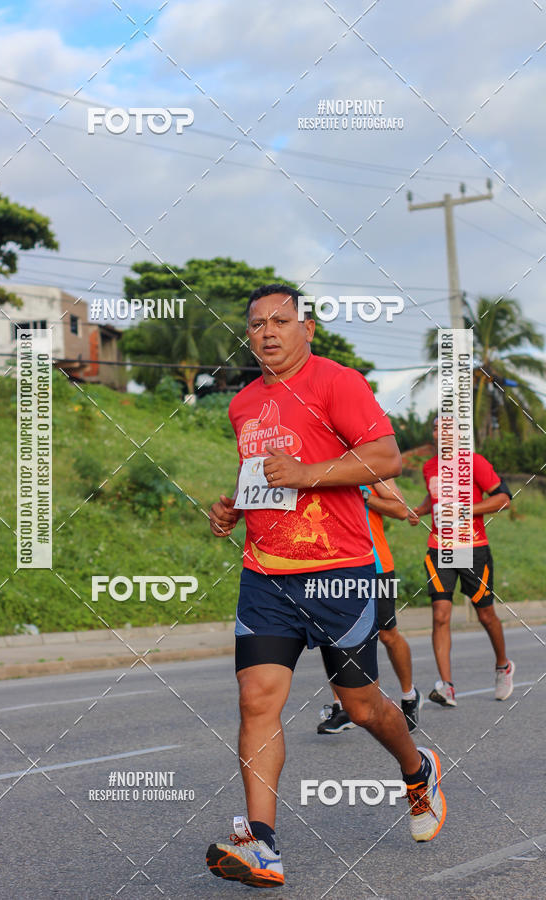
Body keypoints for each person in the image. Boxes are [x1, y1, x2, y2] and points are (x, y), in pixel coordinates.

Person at [206, 285, 446, 889]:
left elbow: (387, 458)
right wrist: (236, 506)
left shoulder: (336, 382)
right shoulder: (242, 405)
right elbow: (265, 478)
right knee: (257, 699)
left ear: (305, 328)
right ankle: (261, 844)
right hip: (266, 576)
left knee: (362, 706)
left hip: (338, 572)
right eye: (256, 323)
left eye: (280, 321)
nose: (267, 332)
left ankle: (417, 771)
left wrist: (311, 474)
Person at [408, 416, 514, 707]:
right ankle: (447, 686)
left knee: (485, 615)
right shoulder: (429, 466)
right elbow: (435, 499)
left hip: (473, 548)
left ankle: (503, 665)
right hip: (439, 547)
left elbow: (503, 498)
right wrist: (419, 510)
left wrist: (467, 510)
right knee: (440, 614)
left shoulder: (475, 462)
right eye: (435, 428)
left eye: (447, 428)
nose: (440, 433)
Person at [318, 479, 423, 735]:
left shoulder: (373, 471)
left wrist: (367, 498)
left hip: (376, 566)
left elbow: (400, 510)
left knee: (387, 634)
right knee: (335, 636)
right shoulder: (325, 468)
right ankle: (341, 707)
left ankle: (409, 696)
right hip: (336, 566)